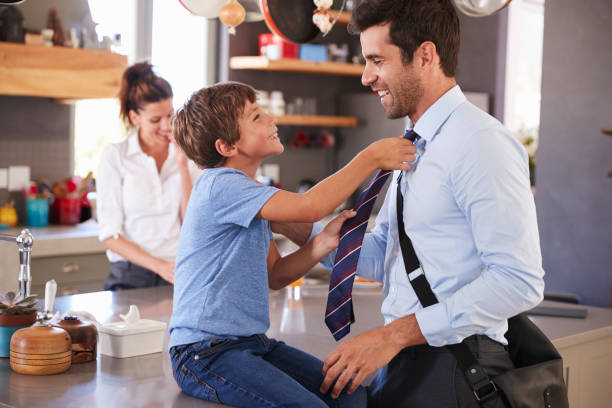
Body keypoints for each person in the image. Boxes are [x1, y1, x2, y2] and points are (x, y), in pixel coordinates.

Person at [273, 0, 546, 407]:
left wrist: (393, 335)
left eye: (377, 60)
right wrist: (287, 221)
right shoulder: (412, 144)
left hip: (455, 367)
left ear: (425, 55)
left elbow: (519, 281)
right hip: (406, 363)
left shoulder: (480, 143)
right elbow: (383, 253)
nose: (367, 77)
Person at [168, 82, 417, 407]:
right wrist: (371, 157)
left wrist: (320, 245)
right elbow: (311, 206)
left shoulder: (250, 192)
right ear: (227, 145)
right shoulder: (221, 186)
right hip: (204, 353)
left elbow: (274, 274)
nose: (272, 118)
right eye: (256, 116)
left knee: (351, 396)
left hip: (250, 344)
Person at [96, 62, 199, 291]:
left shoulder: (185, 156)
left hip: (178, 271)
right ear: (135, 118)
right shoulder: (116, 157)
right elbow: (110, 235)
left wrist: (183, 165)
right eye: (155, 120)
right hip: (131, 276)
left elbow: (193, 222)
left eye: (170, 115)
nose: (167, 126)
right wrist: (159, 266)